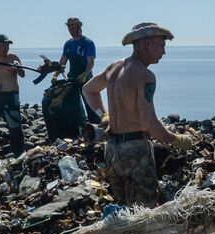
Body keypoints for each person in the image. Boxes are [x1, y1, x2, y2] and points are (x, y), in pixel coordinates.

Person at [82, 23, 192, 208]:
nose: (164, 52)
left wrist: (104, 115)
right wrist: (178, 139)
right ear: (147, 44)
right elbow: (150, 124)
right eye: (161, 46)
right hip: (135, 151)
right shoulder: (144, 75)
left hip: (112, 150)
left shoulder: (114, 67)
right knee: (144, 211)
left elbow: (88, 90)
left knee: (123, 208)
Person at [60, 17, 100, 125]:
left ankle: (96, 125)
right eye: (69, 28)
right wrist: (56, 72)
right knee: (73, 103)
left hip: (85, 78)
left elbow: (91, 62)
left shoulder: (87, 42)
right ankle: (78, 127)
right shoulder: (68, 44)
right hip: (72, 77)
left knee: (90, 102)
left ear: (79, 27)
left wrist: (85, 74)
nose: (71, 30)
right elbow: (63, 61)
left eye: (73, 27)